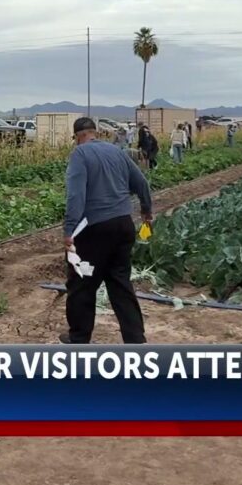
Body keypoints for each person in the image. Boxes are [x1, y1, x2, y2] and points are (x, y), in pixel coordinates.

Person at [61, 117, 152, 345]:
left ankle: (78, 338)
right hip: (123, 226)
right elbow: (141, 182)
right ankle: (135, 339)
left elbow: (75, 196)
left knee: (82, 282)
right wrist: (146, 210)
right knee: (120, 284)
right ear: (95, 132)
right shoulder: (116, 151)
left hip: (94, 230)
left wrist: (69, 230)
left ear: (78, 137)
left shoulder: (80, 154)